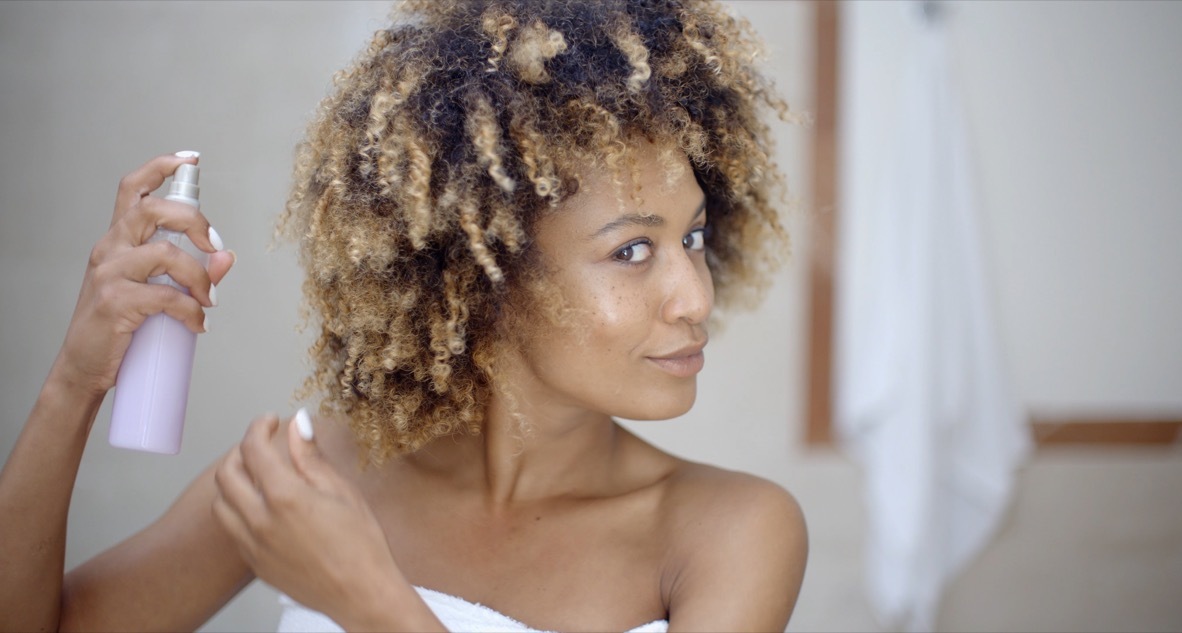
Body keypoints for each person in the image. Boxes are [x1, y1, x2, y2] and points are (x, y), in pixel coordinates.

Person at [0, 0, 808, 630]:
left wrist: (370, 600)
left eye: (693, 236)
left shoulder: (728, 533)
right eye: (632, 250)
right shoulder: (319, 472)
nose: (694, 296)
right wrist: (75, 379)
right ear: (482, 268)